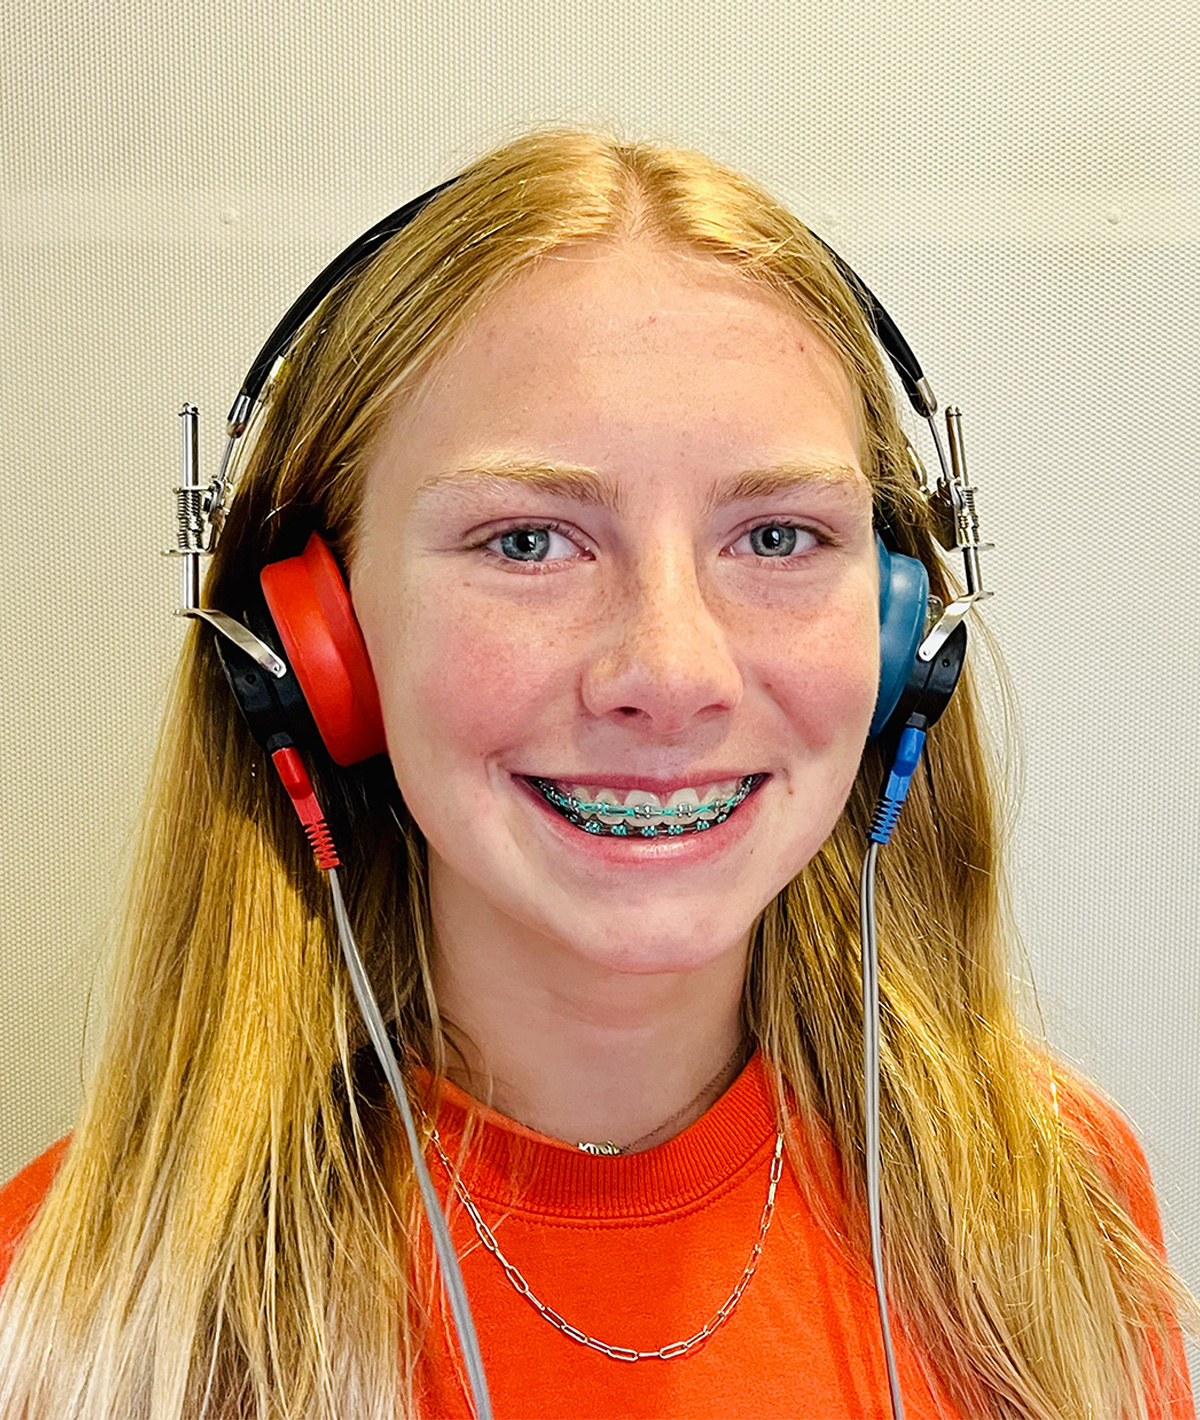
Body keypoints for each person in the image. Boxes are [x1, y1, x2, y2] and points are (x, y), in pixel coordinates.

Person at [0, 128, 1194, 1420]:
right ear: (316, 643)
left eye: (781, 534)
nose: (673, 671)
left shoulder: (1056, 1210)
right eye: (528, 540)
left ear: (906, 634)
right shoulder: (71, 1317)